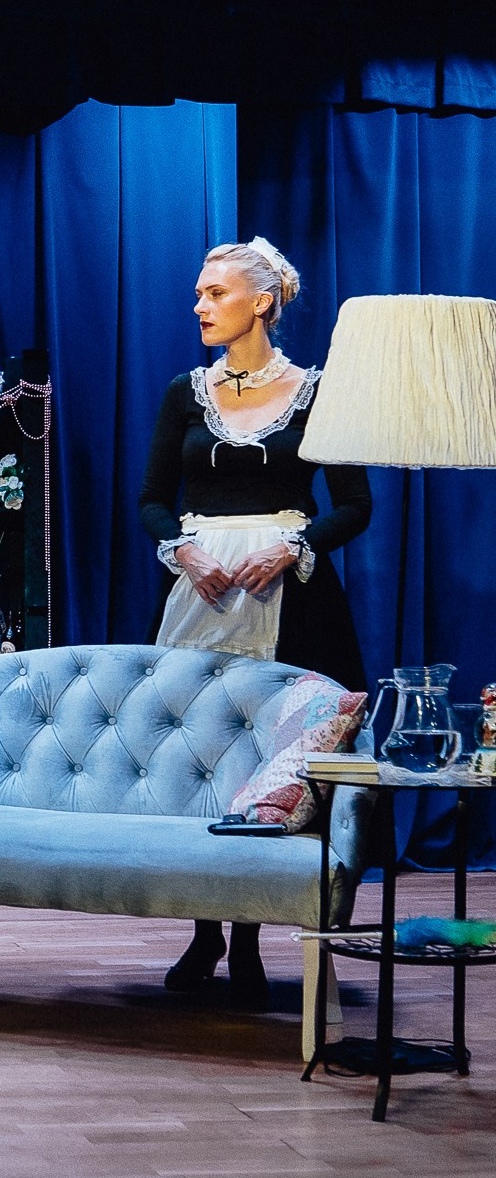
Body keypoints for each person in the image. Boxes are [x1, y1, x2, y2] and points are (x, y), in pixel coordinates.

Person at [138, 237, 372, 1006]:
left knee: (273, 759)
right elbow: (152, 499)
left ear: (262, 301)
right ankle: (204, 928)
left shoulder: (317, 391)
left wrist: (294, 545)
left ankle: (251, 933)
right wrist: (182, 550)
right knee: (197, 753)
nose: (199, 306)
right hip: (200, 595)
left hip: (290, 597)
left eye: (215, 293)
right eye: (199, 293)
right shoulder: (184, 393)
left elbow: (355, 506)